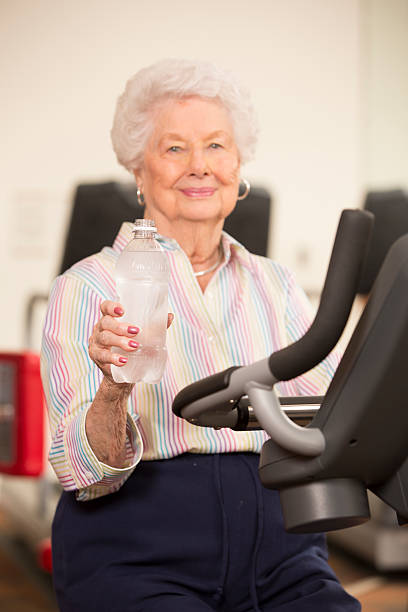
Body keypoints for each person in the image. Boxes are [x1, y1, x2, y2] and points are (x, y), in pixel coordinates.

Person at [41, 58, 360, 611]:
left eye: (216, 146)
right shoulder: (85, 287)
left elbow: (333, 419)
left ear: (239, 167)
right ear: (139, 172)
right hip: (138, 556)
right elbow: (83, 474)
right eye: (174, 148)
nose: (200, 166)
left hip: (283, 554)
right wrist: (115, 389)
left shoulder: (276, 284)